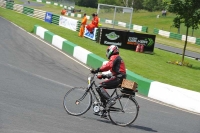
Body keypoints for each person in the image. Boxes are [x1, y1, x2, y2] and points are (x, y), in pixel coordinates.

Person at [91, 45, 126, 117]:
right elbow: (112, 73)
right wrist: (102, 76)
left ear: (112, 50)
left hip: (118, 78)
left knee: (99, 86)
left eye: (108, 51)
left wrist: (98, 70)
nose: (107, 53)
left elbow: (108, 66)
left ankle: (110, 100)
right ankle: (104, 110)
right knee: (100, 88)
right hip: (119, 77)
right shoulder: (116, 58)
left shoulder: (115, 57)